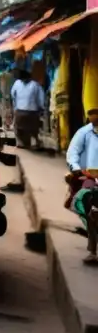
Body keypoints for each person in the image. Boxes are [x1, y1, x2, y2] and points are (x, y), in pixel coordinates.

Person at [65, 108, 98, 264]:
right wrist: (75, 167)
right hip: (89, 176)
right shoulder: (84, 133)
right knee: (89, 203)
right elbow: (73, 153)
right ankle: (93, 250)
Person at [11, 69, 45, 150]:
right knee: (34, 128)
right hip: (32, 113)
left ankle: (20, 141)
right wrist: (41, 109)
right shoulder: (36, 85)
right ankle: (36, 140)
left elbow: (12, 95)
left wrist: (15, 106)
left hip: (19, 112)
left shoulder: (17, 83)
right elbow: (41, 100)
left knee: (16, 126)